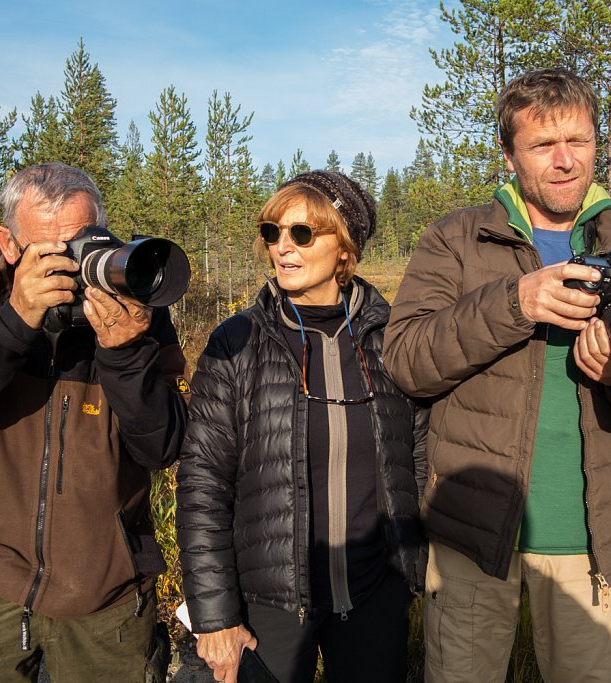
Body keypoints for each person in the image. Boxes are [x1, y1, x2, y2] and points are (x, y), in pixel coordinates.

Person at [382, 68, 611, 683]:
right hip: (471, 540)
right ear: (509, 155)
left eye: (577, 142)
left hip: (591, 540)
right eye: (542, 145)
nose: (563, 161)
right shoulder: (457, 239)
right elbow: (407, 362)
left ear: (596, 144)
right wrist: (513, 304)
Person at [0, 162, 189, 682]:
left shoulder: (135, 311)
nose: (73, 264)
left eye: (87, 243)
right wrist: (10, 325)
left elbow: (161, 447)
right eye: (51, 250)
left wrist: (125, 355)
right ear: (8, 243)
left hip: (106, 590)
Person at [176, 170, 427, 683]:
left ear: (345, 249)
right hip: (268, 601)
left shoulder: (392, 338)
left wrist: (413, 570)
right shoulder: (237, 342)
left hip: (375, 594)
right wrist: (215, 616)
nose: (282, 248)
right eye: (273, 233)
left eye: (303, 233)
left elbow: (419, 457)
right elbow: (202, 485)